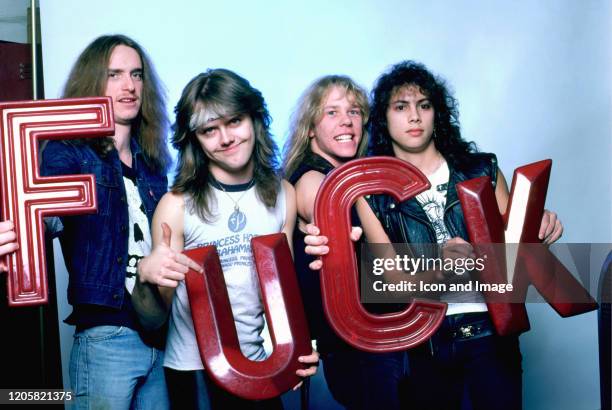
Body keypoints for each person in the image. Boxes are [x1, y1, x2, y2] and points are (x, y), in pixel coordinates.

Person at [364, 60, 562, 410]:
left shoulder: (480, 170)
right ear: (384, 118)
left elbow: (514, 256)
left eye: (424, 105)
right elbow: (390, 280)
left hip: (491, 334)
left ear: (436, 113)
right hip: (424, 341)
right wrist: (439, 268)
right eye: (401, 107)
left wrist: (537, 228)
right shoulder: (372, 194)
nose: (414, 116)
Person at [138, 69, 319, 410]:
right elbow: (152, 319)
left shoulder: (284, 194)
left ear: (254, 119)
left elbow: (284, 294)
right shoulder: (176, 206)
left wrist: (301, 347)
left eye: (234, 121)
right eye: (209, 130)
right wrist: (147, 278)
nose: (226, 138)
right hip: (194, 374)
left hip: (259, 368)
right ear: (195, 139)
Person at [40, 34, 176, 409]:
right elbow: (46, 218)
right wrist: (24, 229)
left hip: (159, 335)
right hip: (105, 338)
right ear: (92, 82)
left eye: (136, 74)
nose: (129, 85)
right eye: (114, 74)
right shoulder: (67, 153)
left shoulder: (152, 163)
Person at [283, 75, 407, 410]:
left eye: (354, 111)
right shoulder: (312, 178)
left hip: (387, 338)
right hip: (360, 348)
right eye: (332, 113)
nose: (347, 121)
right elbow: (326, 209)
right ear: (310, 127)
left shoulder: (354, 177)